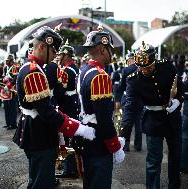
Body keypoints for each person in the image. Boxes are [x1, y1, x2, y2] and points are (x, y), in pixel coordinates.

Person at [13, 25, 96, 189]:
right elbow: (46, 112)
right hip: (39, 134)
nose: (54, 58)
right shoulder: (33, 72)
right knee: (41, 183)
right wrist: (77, 128)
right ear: (42, 46)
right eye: (53, 52)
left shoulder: (31, 68)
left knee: (36, 179)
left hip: (34, 131)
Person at [121, 42, 184, 189]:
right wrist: (123, 135)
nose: (144, 70)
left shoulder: (167, 66)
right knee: (154, 161)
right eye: (141, 67)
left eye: (148, 67)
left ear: (154, 61)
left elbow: (179, 87)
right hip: (153, 120)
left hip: (172, 118)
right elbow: (129, 106)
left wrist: (178, 101)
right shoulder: (133, 79)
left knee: (176, 157)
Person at [78, 25, 125, 189]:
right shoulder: (100, 76)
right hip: (99, 139)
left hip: (87, 133)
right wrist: (115, 145)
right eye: (111, 49)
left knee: (90, 181)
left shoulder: (85, 70)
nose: (112, 54)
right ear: (103, 49)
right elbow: (104, 119)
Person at [118, 51, 143, 152]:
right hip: (140, 100)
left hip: (129, 100)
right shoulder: (141, 68)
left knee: (126, 124)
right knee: (138, 124)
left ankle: (126, 145)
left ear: (129, 60)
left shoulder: (126, 70)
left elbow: (121, 86)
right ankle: (138, 145)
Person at [2, 54, 18, 130]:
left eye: (7, 60)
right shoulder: (5, 68)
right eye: (6, 60)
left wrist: (9, 84)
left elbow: (16, 78)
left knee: (12, 107)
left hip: (12, 89)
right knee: (6, 106)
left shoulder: (14, 68)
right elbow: (3, 77)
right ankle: (8, 123)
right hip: (5, 90)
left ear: (11, 61)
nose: (6, 62)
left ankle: (13, 123)